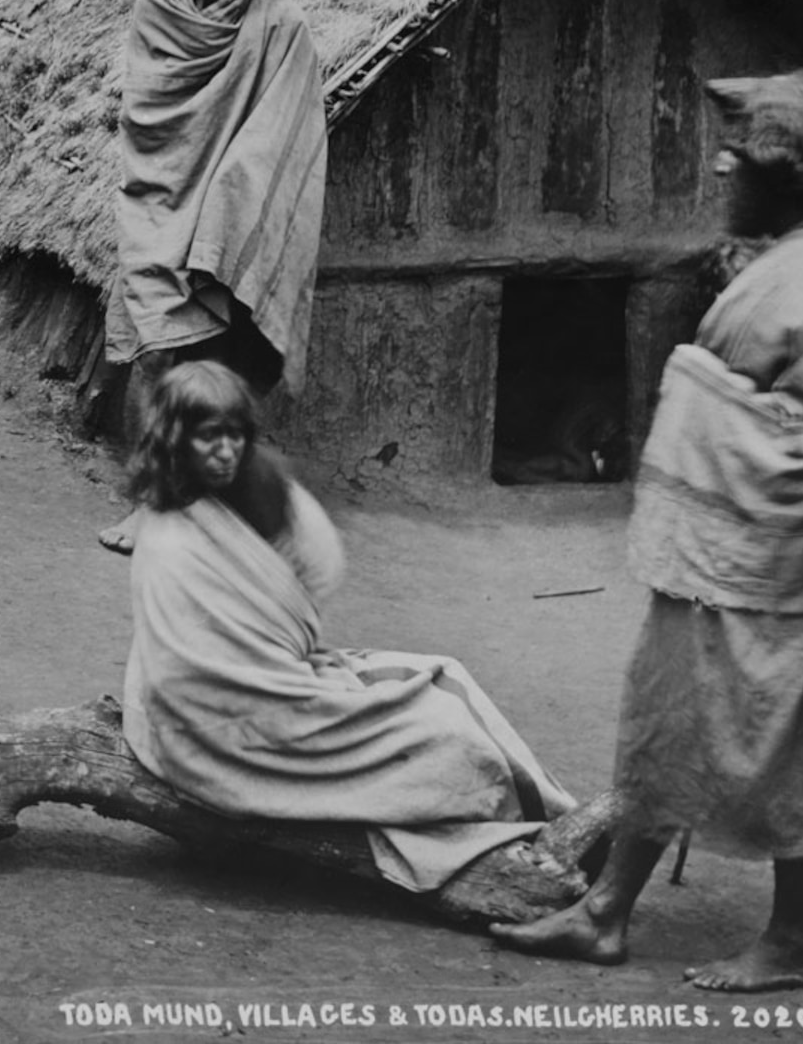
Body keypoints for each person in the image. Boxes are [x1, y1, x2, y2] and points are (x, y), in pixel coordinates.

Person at [494, 72, 803, 992]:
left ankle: (790, 940)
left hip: (788, 559)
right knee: (667, 720)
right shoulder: (796, 252)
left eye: (736, 153)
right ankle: (605, 913)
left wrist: (714, 405)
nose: (718, 161)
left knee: (797, 741)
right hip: (727, 554)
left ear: (782, 176)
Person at [118, 361, 575, 892]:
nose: (225, 452)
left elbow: (298, 588)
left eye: (234, 436)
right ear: (176, 440)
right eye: (207, 438)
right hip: (214, 727)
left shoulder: (253, 490)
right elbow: (185, 664)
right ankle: (544, 824)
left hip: (266, 680)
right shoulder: (172, 537)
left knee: (444, 676)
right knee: (444, 734)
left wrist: (277, 643)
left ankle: (554, 815)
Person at [97, 0, 327, 435]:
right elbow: (146, 114)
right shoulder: (157, 10)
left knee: (221, 364)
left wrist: (228, 193)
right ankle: (148, 493)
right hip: (160, 200)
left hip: (226, 217)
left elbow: (286, 130)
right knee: (153, 351)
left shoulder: (280, 26)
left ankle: (206, 487)